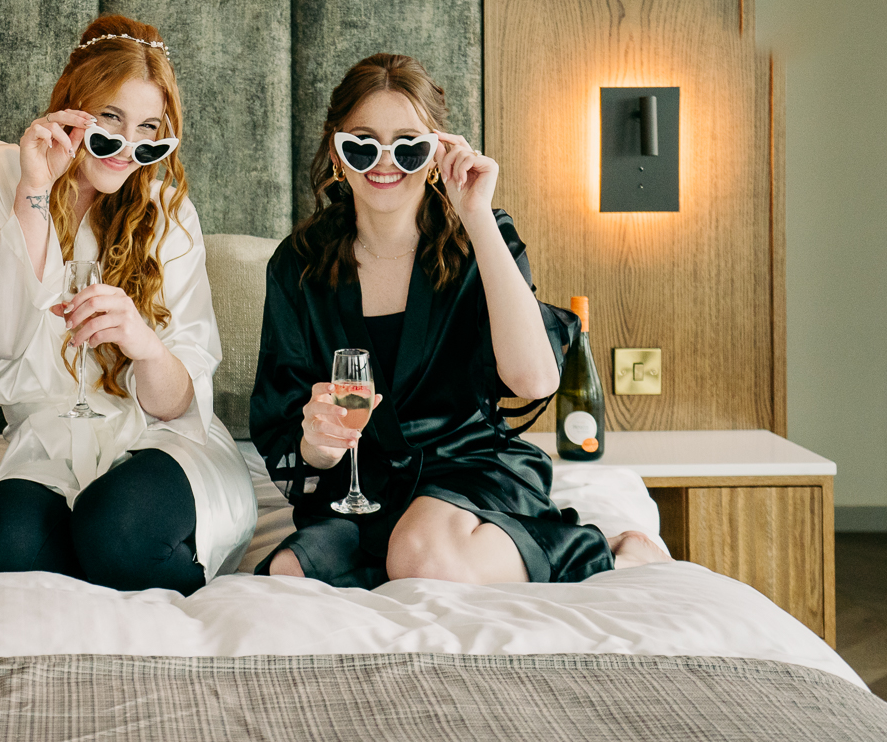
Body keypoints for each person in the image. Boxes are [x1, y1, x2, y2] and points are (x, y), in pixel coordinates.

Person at [250, 53, 669, 588]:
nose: (385, 162)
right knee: (286, 576)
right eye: (362, 143)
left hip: (467, 469)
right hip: (360, 484)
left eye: (407, 145)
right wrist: (318, 442)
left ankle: (609, 551)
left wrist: (476, 214)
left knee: (422, 557)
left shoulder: (482, 239)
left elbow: (534, 380)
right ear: (337, 153)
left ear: (435, 154)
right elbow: (284, 428)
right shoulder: (298, 265)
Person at [0, 14, 256, 594]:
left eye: (149, 129)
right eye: (110, 121)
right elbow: (4, 333)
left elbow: (176, 403)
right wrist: (35, 187)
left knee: (121, 528)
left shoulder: (166, 210)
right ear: (72, 104)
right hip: (50, 443)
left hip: (159, 442)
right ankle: (105, 557)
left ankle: (129, 550)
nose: (127, 148)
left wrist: (144, 346)